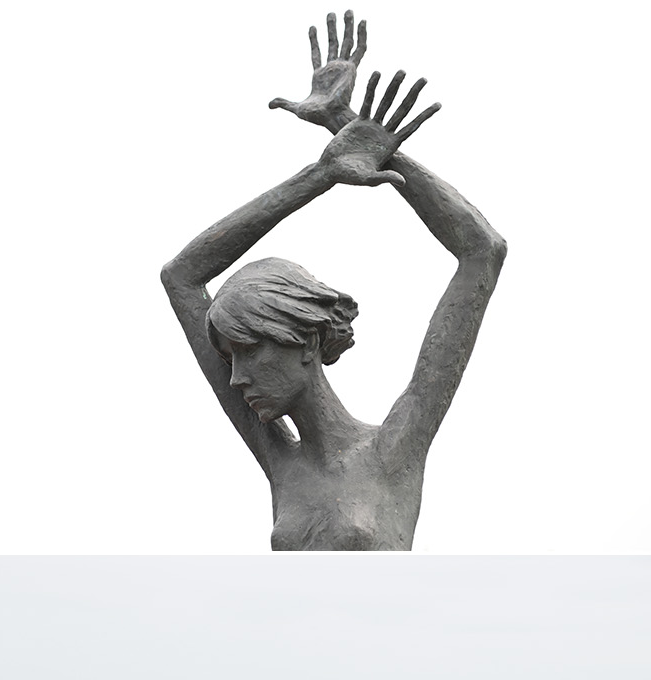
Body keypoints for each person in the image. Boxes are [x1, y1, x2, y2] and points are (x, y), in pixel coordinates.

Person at [162, 11, 506, 551]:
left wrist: (352, 132)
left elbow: (482, 252)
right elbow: (181, 277)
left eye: (250, 352)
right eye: (231, 358)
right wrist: (320, 174)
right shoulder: (279, 458)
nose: (236, 378)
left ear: (303, 342)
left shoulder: (396, 448)